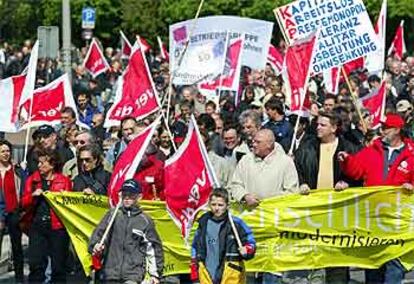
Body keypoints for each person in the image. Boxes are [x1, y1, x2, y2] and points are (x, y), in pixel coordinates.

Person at [338, 113, 414, 284]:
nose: (382, 130)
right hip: (373, 217)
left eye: (386, 127)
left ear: (397, 130)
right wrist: (347, 160)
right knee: (373, 262)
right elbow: (356, 171)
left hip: (398, 219)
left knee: (395, 264)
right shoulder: (373, 149)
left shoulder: (412, 153)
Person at [89, 179, 164, 283]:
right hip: (109, 274)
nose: (127, 197)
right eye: (124, 194)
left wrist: (155, 275)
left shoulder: (144, 220)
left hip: (132, 276)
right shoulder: (112, 215)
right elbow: (98, 236)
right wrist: (95, 246)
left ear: (139, 197)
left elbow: (153, 248)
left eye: (131, 194)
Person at [22, 150, 72, 283]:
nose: (39, 165)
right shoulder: (32, 180)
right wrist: (32, 196)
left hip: (57, 227)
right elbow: (23, 203)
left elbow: (69, 204)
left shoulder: (64, 181)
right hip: (37, 226)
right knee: (36, 264)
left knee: (58, 266)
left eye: (42, 162)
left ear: (52, 164)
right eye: (38, 162)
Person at [191, 188, 256, 284]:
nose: (216, 208)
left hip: (230, 273)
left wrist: (247, 250)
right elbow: (195, 246)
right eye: (213, 204)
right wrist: (194, 268)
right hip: (206, 271)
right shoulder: (203, 222)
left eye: (220, 205)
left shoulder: (236, 223)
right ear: (209, 204)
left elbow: (251, 242)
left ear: (227, 205)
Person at [0, 139, 25, 283]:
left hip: (14, 211)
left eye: (8, 151)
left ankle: (19, 278)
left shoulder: (17, 170)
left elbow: (23, 189)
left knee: (17, 247)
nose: (6, 154)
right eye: (2, 151)